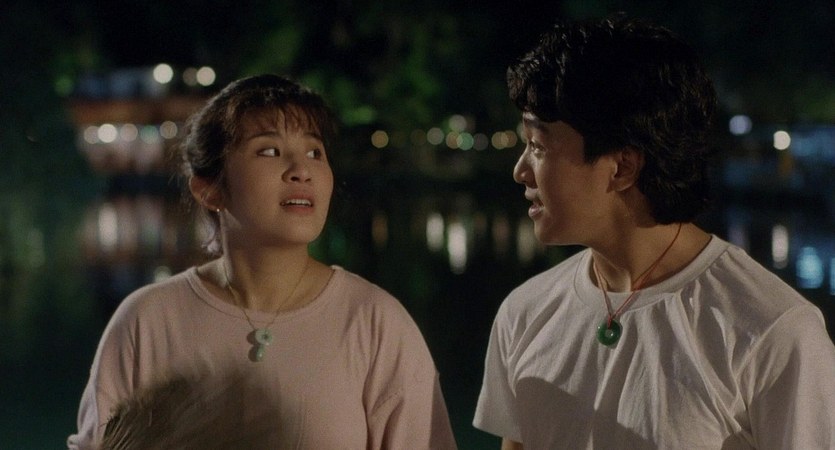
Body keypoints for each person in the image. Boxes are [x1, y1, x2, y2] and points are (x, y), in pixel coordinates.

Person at [473, 16, 835, 450]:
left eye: (537, 145)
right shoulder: (524, 314)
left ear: (622, 167)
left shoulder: (773, 331)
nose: (520, 170)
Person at [68, 74, 457, 449]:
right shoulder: (147, 321)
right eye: (269, 151)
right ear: (209, 189)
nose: (302, 170)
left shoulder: (375, 323)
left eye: (315, 152)